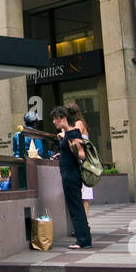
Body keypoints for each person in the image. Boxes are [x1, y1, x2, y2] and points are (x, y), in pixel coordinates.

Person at [51, 106, 92, 250]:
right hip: (68, 173)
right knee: (75, 207)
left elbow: (82, 155)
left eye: (56, 118)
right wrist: (61, 155)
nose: (54, 122)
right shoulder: (68, 133)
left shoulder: (73, 133)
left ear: (63, 118)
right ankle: (84, 239)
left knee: (76, 208)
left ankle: (83, 241)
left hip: (71, 175)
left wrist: (73, 146)